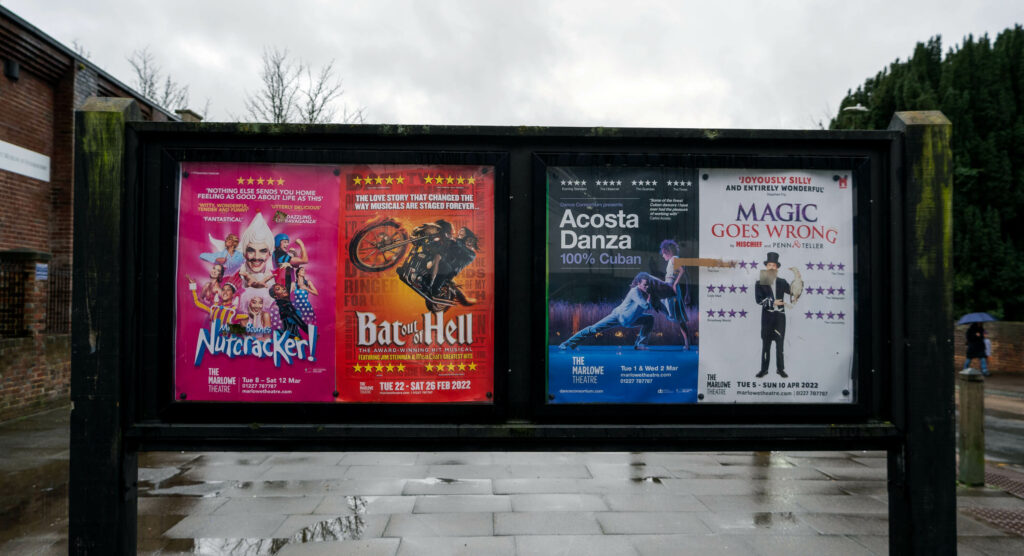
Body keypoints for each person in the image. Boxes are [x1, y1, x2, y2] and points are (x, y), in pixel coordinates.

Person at [559, 274, 655, 350]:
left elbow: (649, 306)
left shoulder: (646, 293)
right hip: (618, 316)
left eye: (648, 285)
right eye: (645, 285)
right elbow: (646, 305)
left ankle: (640, 344)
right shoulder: (635, 291)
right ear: (638, 284)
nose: (647, 287)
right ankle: (566, 343)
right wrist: (650, 299)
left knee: (649, 319)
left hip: (630, 320)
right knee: (594, 329)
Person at [755, 252, 791, 378]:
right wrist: (772, 302)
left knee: (780, 346)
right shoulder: (760, 282)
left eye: (773, 265)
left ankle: (780, 369)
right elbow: (758, 300)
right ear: (766, 267)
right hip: (767, 319)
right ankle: (764, 369)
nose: (771, 267)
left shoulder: (782, 281)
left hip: (780, 318)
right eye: (769, 265)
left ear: (777, 267)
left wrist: (798, 282)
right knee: (766, 346)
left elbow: (792, 291)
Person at [657, 239, 692, 350]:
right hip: (669, 287)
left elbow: (682, 271)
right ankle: (687, 343)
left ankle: (687, 344)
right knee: (678, 317)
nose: (663, 256)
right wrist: (687, 292)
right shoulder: (672, 260)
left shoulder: (674, 259)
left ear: (667, 251)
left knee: (679, 317)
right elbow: (686, 275)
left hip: (672, 289)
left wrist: (675, 284)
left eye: (663, 253)